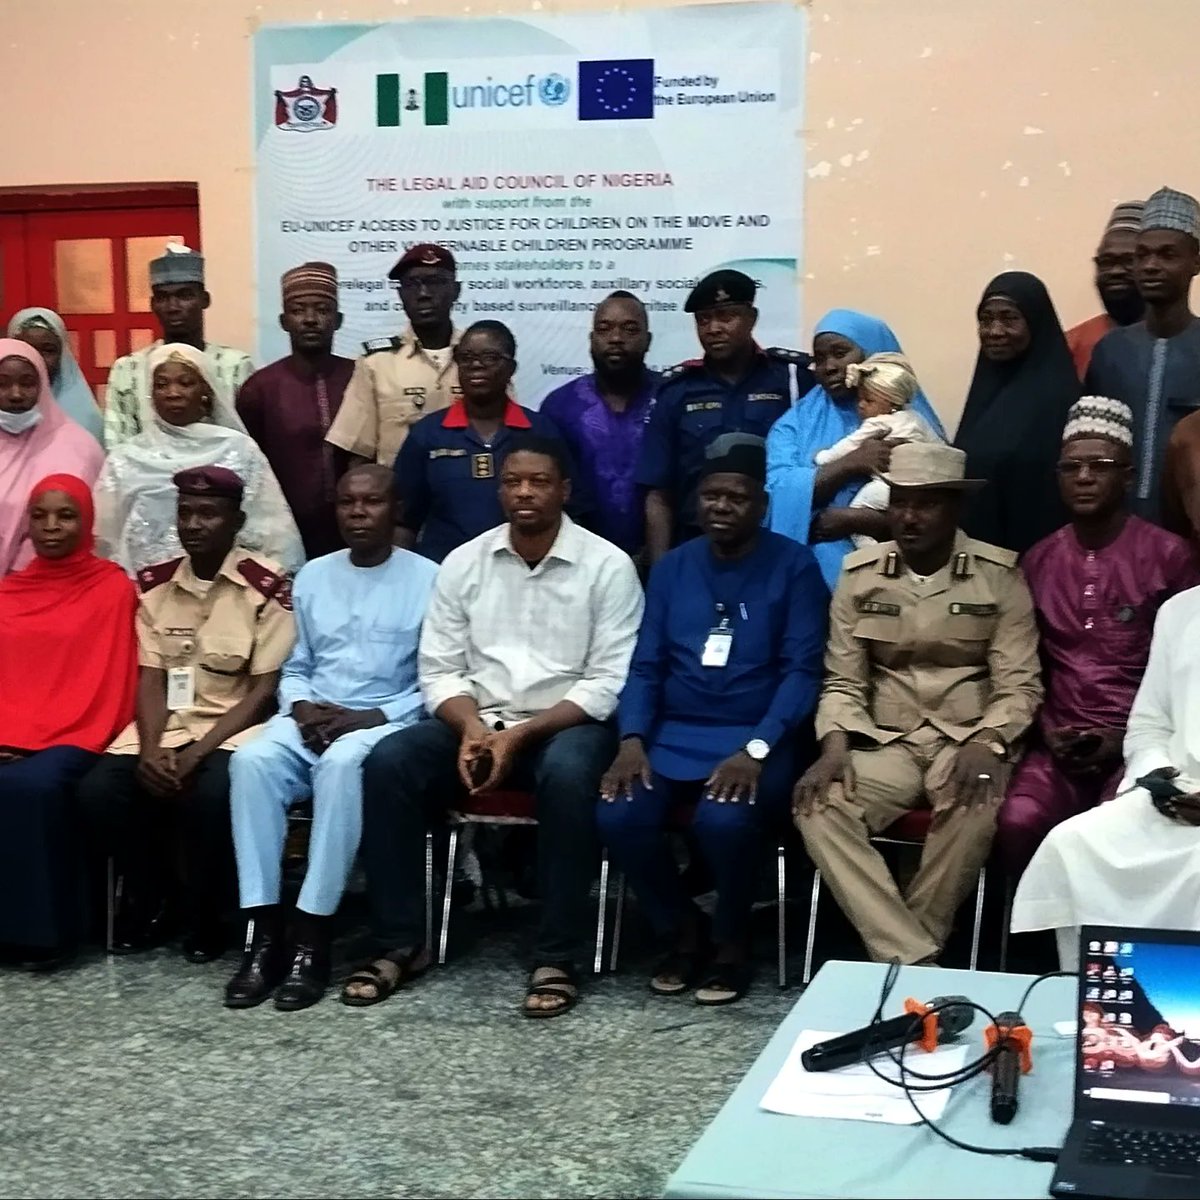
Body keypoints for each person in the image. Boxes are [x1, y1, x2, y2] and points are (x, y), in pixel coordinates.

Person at [344, 435, 643, 1016]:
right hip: (476, 722)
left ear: (565, 491)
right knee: (390, 763)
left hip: (564, 724)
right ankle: (400, 942)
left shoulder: (607, 567)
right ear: (499, 489)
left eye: (538, 481)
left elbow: (607, 682)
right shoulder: (464, 562)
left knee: (568, 772)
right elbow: (439, 668)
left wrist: (518, 737)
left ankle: (558, 953)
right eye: (512, 482)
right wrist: (474, 730)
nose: (524, 492)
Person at [598, 439, 827, 1004]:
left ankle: (730, 941)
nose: (721, 506)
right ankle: (682, 927)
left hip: (758, 735)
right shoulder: (674, 566)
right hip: (674, 731)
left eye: (736, 496)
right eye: (711, 495)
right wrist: (631, 739)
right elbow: (646, 666)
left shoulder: (794, 566)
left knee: (723, 822)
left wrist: (756, 749)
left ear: (763, 506)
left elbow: (803, 672)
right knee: (618, 813)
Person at [793, 443, 1042, 965]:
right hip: (888, 740)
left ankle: (901, 959)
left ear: (955, 508)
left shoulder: (999, 576)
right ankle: (916, 960)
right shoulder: (860, 576)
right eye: (900, 502)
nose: (909, 516)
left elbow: (1018, 684)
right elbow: (842, 678)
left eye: (926, 504)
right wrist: (834, 746)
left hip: (966, 736)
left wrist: (989, 741)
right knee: (819, 804)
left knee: (976, 800)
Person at [225, 466, 438, 1012]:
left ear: (396, 509)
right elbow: (296, 665)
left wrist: (368, 717)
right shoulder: (315, 575)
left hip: (383, 724)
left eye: (372, 502)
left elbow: (435, 683)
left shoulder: (430, 578)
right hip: (309, 719)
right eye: (347, 503)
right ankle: (263, 932)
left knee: (344, 766)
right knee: (249, 762)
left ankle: (313, 932)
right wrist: (299, 707)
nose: (358, 513)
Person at [77, 467, 296, 961]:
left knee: (211, 792)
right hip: (164, 728)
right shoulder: (154, 587)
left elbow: (263, 691)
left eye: (208, 513)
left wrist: (197, 753)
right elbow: (150, 675)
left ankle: (209, 914)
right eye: (185, 512)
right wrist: (152, 749)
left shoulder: (265, 586)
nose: (194, 523)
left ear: (236, 521)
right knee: (99, 792)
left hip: (233, 729)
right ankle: (157, 900)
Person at [998, 398, 1198, 875]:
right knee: (1016, 821)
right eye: (1072, 467)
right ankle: (1033, 945)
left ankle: (1110, 945)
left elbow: (1184, 674)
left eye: (1100, 466)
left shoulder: (1171, 556)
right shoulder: (1038, 560)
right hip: (1058, 746)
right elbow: (1027, 665)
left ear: (1128, 477)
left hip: (1143, 746)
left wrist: (1121, 739)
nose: (1084, 477)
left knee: (1126, 829)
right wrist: (1050, 734)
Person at [1010, 578, 1200, 968]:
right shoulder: (1180, 611)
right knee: (1073, 843)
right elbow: (1149, 727)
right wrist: (1160, 782)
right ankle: (1091, 1003)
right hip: (1179, 796)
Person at [0, 474, 137, 967]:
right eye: (39, 516)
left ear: (88, 520)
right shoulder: (9, 593)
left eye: (66, 515)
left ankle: (41, 938)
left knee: (29, 788)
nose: (51, 527)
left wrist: (38, 740)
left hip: (78, 732)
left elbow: (112, 676)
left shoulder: (112, 588)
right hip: (9, 731)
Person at [637, 269, 815, 565]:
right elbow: (658, 494)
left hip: (776, 544)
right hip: (696, 547)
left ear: (752, 318)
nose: (713, 328)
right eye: (704, 320)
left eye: (726, 316)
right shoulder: (676, 390)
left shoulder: (794, 380)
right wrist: (662, 572)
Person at [766, 310, 945, 590]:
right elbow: (775, 495)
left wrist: (861, 520)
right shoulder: (793, 425)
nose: (829, 367)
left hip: (903, 584)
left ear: (876, 353)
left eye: (840, 353)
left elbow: (942, 503)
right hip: (813, 581)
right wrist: (848, 465)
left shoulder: (914, 420)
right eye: (820, 359)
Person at [93, 343, 303, 577]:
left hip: (230, 589)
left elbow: (271, 530)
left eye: (185, 383)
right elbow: (104, 538)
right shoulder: (125, 458)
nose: (173, 393)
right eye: (162, 385)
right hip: (145, 595)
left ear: (205, 389)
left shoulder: (238, 449)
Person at [393, 320, 586, 562]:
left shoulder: (540, 430)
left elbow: (571, 510)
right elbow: (404, 523)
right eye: (466, 357)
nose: (476, 365)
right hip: (443, 573)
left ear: (511, 368)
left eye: (490, 357)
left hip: (525, 573)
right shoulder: (427, 433)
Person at [1086, 188, 1200, 524]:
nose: (1151, 266)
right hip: (1119, 541)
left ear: (1195, 261)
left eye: (1167, 255)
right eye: (1143, 255)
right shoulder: (1111, 351)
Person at [953, 271, 1080, 554]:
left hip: (1039, 560)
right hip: (977, 563)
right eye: (985, 320)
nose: (995, 331)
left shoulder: (1060, 398)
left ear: (1036, 322)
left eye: (1009, 319)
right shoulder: (985, 392)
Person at [236, 263, 354, 559]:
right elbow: (248, 468)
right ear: (284, 320)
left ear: (338, 320)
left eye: (323, 310)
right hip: (282, 534)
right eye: (299, 310)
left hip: (356, 532)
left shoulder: (361, 378)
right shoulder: (259, 388)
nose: (311, 320)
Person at [539, 291, 658, 556]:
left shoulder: (669, 398)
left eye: (629, 329)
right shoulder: (560, 406)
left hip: (660, 554)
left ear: (647, 340)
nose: (616, 339)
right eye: (605, 329)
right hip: (579, 559)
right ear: (592, 340)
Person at [325, 243, 464, 468]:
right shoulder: (377, 364)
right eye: (412, 284)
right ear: (400, 294)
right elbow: (357, 453)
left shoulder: (482, 357)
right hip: (402, 497)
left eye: (435, 282)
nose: (424, 294)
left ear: (456, 290)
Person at [103, 243, 254, 448]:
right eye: (163, 298)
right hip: (144, 476)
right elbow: (117, 445)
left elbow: (248, 439)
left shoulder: (235, 366)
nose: (173, 307)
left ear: (205, 300)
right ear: (153, 304)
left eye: (184, 296)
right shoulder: (128, 368)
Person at [812, 353, 944, 547]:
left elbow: (849, 445)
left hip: (884, 486)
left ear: (891, 403)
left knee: (855, 516)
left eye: (868, 400)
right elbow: (939, 447)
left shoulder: (879, 423)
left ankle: (868, 551)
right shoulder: (917, 418)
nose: (860, 405)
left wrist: (823, 457)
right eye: (860, 399)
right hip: (918, 487)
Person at [1, 339, 104, 577]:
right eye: (2, 384)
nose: (15, 394)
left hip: (55, 582)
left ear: (44, 385)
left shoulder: (78, 448)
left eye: (27, 383)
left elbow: (92, 525)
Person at [1065, 202, 1146, 380]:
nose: (1116, 271)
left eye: (1129, 260)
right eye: (1107, 261)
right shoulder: (1071, 345)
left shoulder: (1189, 344)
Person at [7, 307, 104, 443]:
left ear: (62, 355)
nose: (37, 358)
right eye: (27, 348)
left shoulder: (87, 419)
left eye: (48, 350)